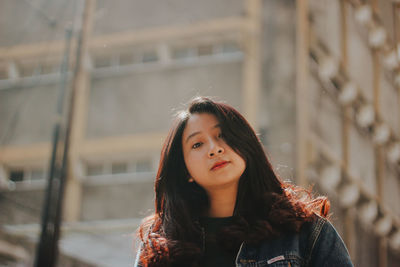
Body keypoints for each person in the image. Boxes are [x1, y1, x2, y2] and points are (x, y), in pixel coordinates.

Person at [134, 97, 353, 267]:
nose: (215, 149)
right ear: (185, 170)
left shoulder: (304, 232)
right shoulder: (162, 246)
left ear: (245, 146)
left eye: (221, 135)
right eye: (197, 144)